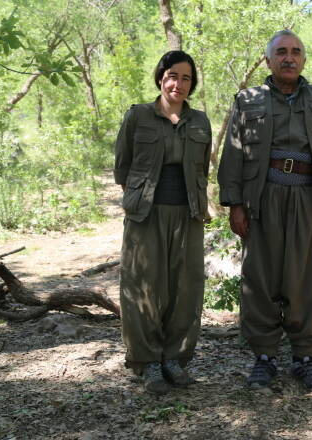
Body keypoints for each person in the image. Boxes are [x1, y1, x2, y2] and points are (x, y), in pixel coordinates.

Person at [218, 30, 312, 393]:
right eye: (281, 52)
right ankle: (264, 356)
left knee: (306, 279)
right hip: (262, 199)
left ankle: (305, 356)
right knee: (260, 278)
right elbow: (232, 155)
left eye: (295, 52)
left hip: (309, 200)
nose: (289, 58)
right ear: (268, 60)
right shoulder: (248, 100)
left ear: (303, 59)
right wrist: (234, 204)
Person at [114, 51, 211, 395]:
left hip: (188, 213)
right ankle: (147, 361)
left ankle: (174, 359)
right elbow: (122, 167)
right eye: (172, 76)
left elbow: (202, 169)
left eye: (186, 78)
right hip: (146, 214)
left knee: (185, 288)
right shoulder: (138, 116)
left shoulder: (200, 121)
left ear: (191, 84)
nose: (178, 84)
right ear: (160, 78)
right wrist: (141, 200)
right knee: (143, 286)